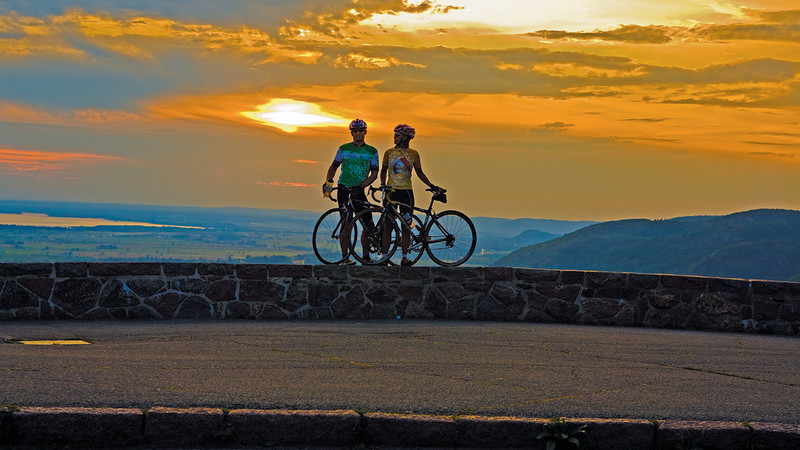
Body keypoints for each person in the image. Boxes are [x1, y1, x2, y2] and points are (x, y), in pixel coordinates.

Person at [380, 123, 442, 266]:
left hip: (407, 192)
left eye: (396, 135)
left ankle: (405, 256)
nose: (393, 137)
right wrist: (383, 185)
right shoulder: (389, 152)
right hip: (391, 191)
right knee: (387, 225)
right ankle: (384, 256)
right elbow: (383, 169)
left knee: (406, 225)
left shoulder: (414, 154)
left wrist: (432, 186)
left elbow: (419, 173)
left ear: (405, 137)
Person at [323, 118, 379, 265]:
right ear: (351, 133)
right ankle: (344, 257)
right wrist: (329, 181)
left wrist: (362, 185)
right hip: (343, 189)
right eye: (355, 131)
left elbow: (374, 174)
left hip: (359, 191)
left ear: (365, 132)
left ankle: (366, 258)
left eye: (361, 131)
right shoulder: (343, 148)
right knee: (346, 223)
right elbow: (334, 166)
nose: (358, 133)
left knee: (368, 223)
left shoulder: (372, 151)